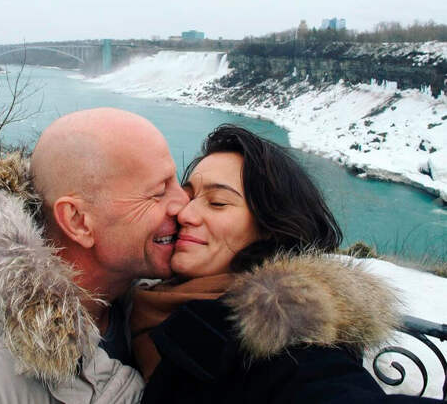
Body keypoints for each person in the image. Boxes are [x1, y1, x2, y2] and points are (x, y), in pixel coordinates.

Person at [0, 108, 188, 403]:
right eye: (158, 192)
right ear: (77, 221)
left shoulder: (138, 305)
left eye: (178, 182)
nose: (185, 203)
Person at [131, 124, 440, 403]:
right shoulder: (143, 297)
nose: (185, 214)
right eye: (189, 197)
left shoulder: (283, 335)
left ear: (269, 227)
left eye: (218, 203)